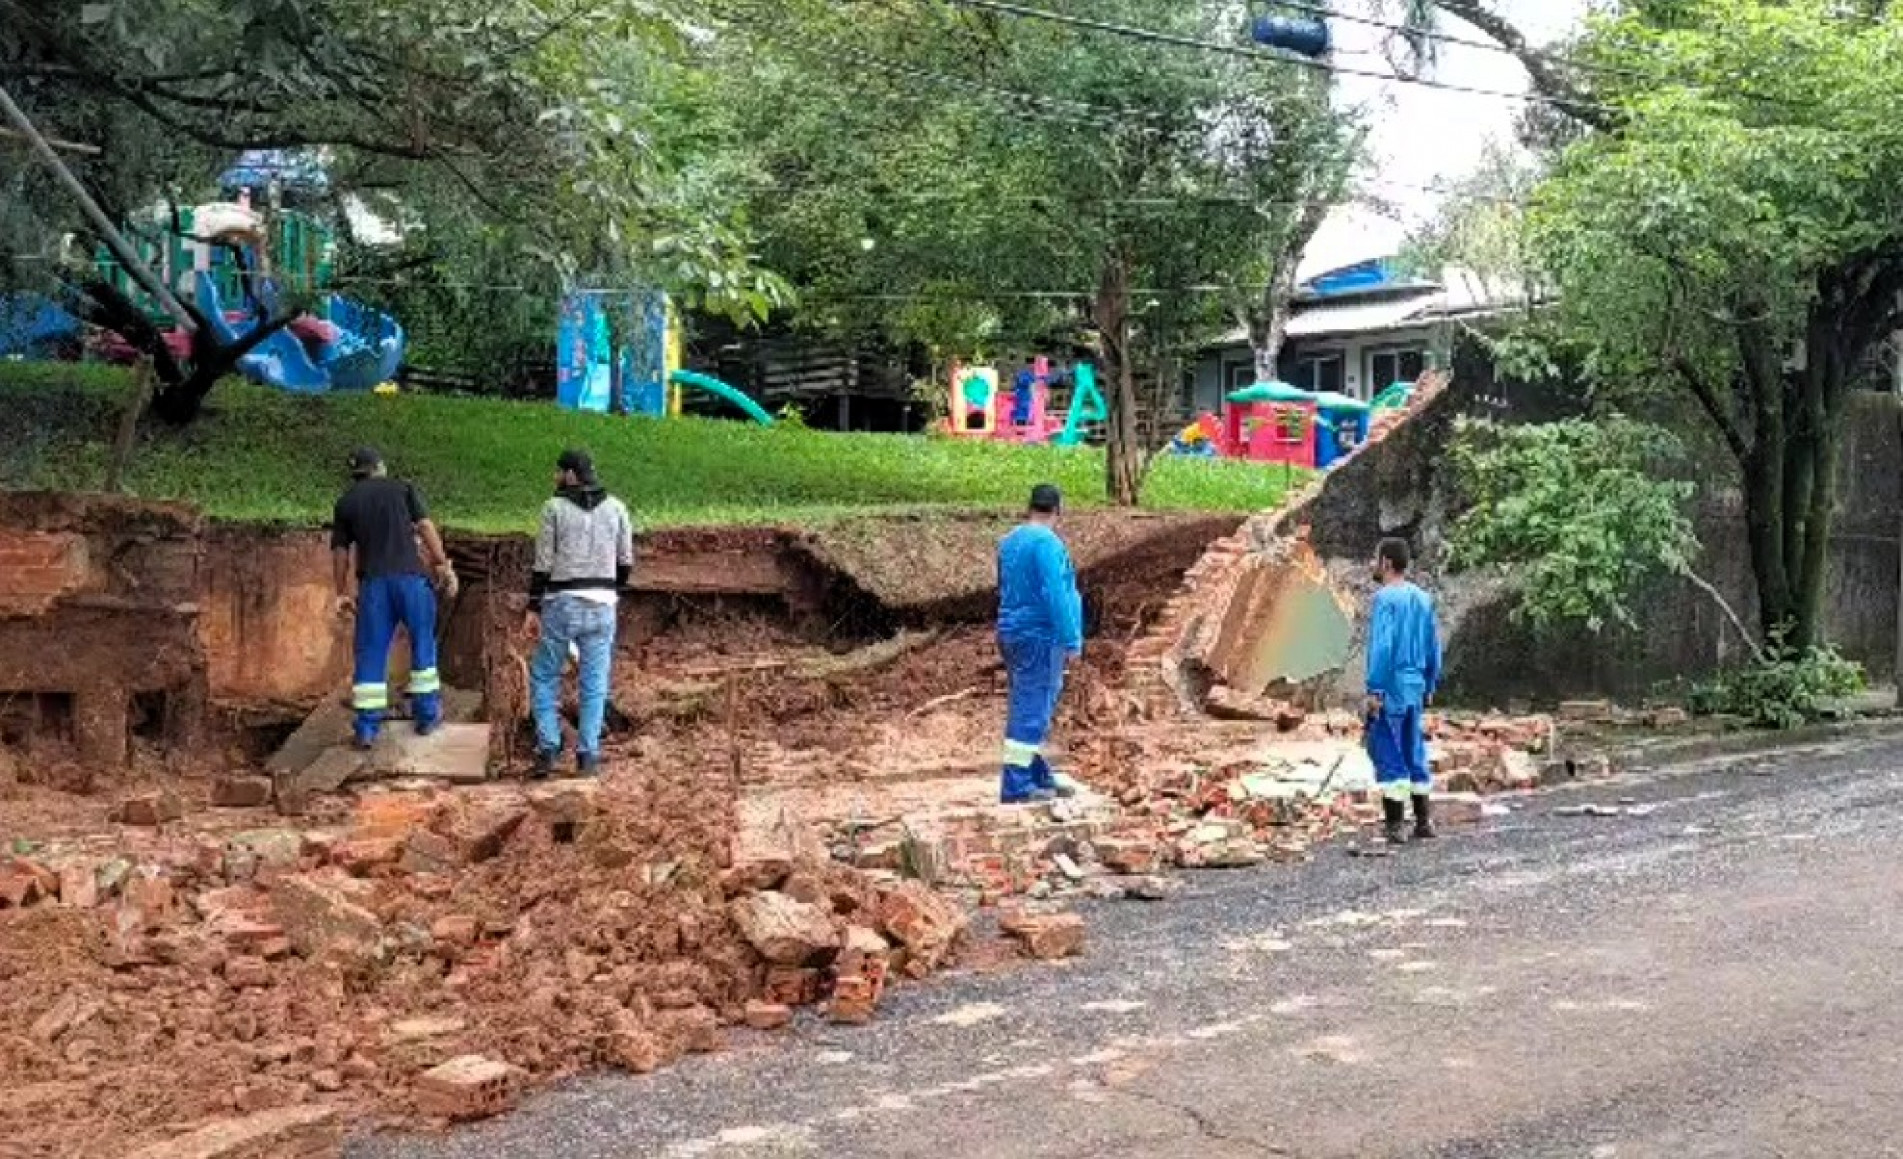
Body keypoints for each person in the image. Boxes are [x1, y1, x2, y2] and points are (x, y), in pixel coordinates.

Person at [331, 447, 457, 749]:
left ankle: (366, 729)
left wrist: (341, 592)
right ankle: (427, 717)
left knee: (371, 652)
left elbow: (339, 552)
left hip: (374, 586)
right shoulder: (402, 489)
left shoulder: (346, 502)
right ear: (379, 467)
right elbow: (425, 526)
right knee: (422, 643)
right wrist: (442, 563)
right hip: (411, 581)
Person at [525, 448, 635, 779]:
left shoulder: (553, 508)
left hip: (562, 603)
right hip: (603, 605)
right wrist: (613, 592)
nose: (555, 477)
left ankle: (549, 746)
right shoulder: (616, 508)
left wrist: (533, 605)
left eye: (558, 471)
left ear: (571, 474)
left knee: (545, 674)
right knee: (594, 681)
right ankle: (587, 756)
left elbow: (543, 562)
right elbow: (626, 559)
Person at [996, 483, 1084, 804]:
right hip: (1040, 635)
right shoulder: (1048, 544)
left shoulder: (1010, 541)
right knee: (1033, 709)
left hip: (1011, 631)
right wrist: (1071, 638)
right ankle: (1016, 786)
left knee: (1027, 703)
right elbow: (1057, 594)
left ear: (1030, 506)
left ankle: (1035, 773)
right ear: (1058, 510)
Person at [1363, 537, 1443, 844]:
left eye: (1375, 558)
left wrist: (1375, 689)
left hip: (1392, 686)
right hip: (1416, 686)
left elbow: (1382, 648)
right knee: (1414, 748)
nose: (1373, 564)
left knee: (1387, 748)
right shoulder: (1422, 599)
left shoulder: (1385, 599)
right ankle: (1424, 821)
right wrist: (1430, 682)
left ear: (1385, 562)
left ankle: (1395, 824)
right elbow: (1433, 645)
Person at [1011, 357, 1038, 428]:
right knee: (1022, 414)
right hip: (1023, 397)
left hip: (1026, 397)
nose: (1033, 366)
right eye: (1033, 364)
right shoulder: (1025, 374)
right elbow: (1028, 385)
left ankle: (1024, 430)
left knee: (1026, 414)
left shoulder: (1031, 374)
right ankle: (1021, 430)